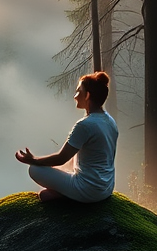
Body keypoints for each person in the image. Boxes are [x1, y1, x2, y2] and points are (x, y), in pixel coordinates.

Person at [15, 71, 118, 203]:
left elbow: (61, 158)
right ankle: (66, 194)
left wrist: (33, 160)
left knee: (34, 170)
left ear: (87, 95)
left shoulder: (85, 125)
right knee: (46, 194)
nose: (75, 96)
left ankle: (71, 195)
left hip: (87, 189)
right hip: (105, 188)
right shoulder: (109, 121)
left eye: (78, 91)